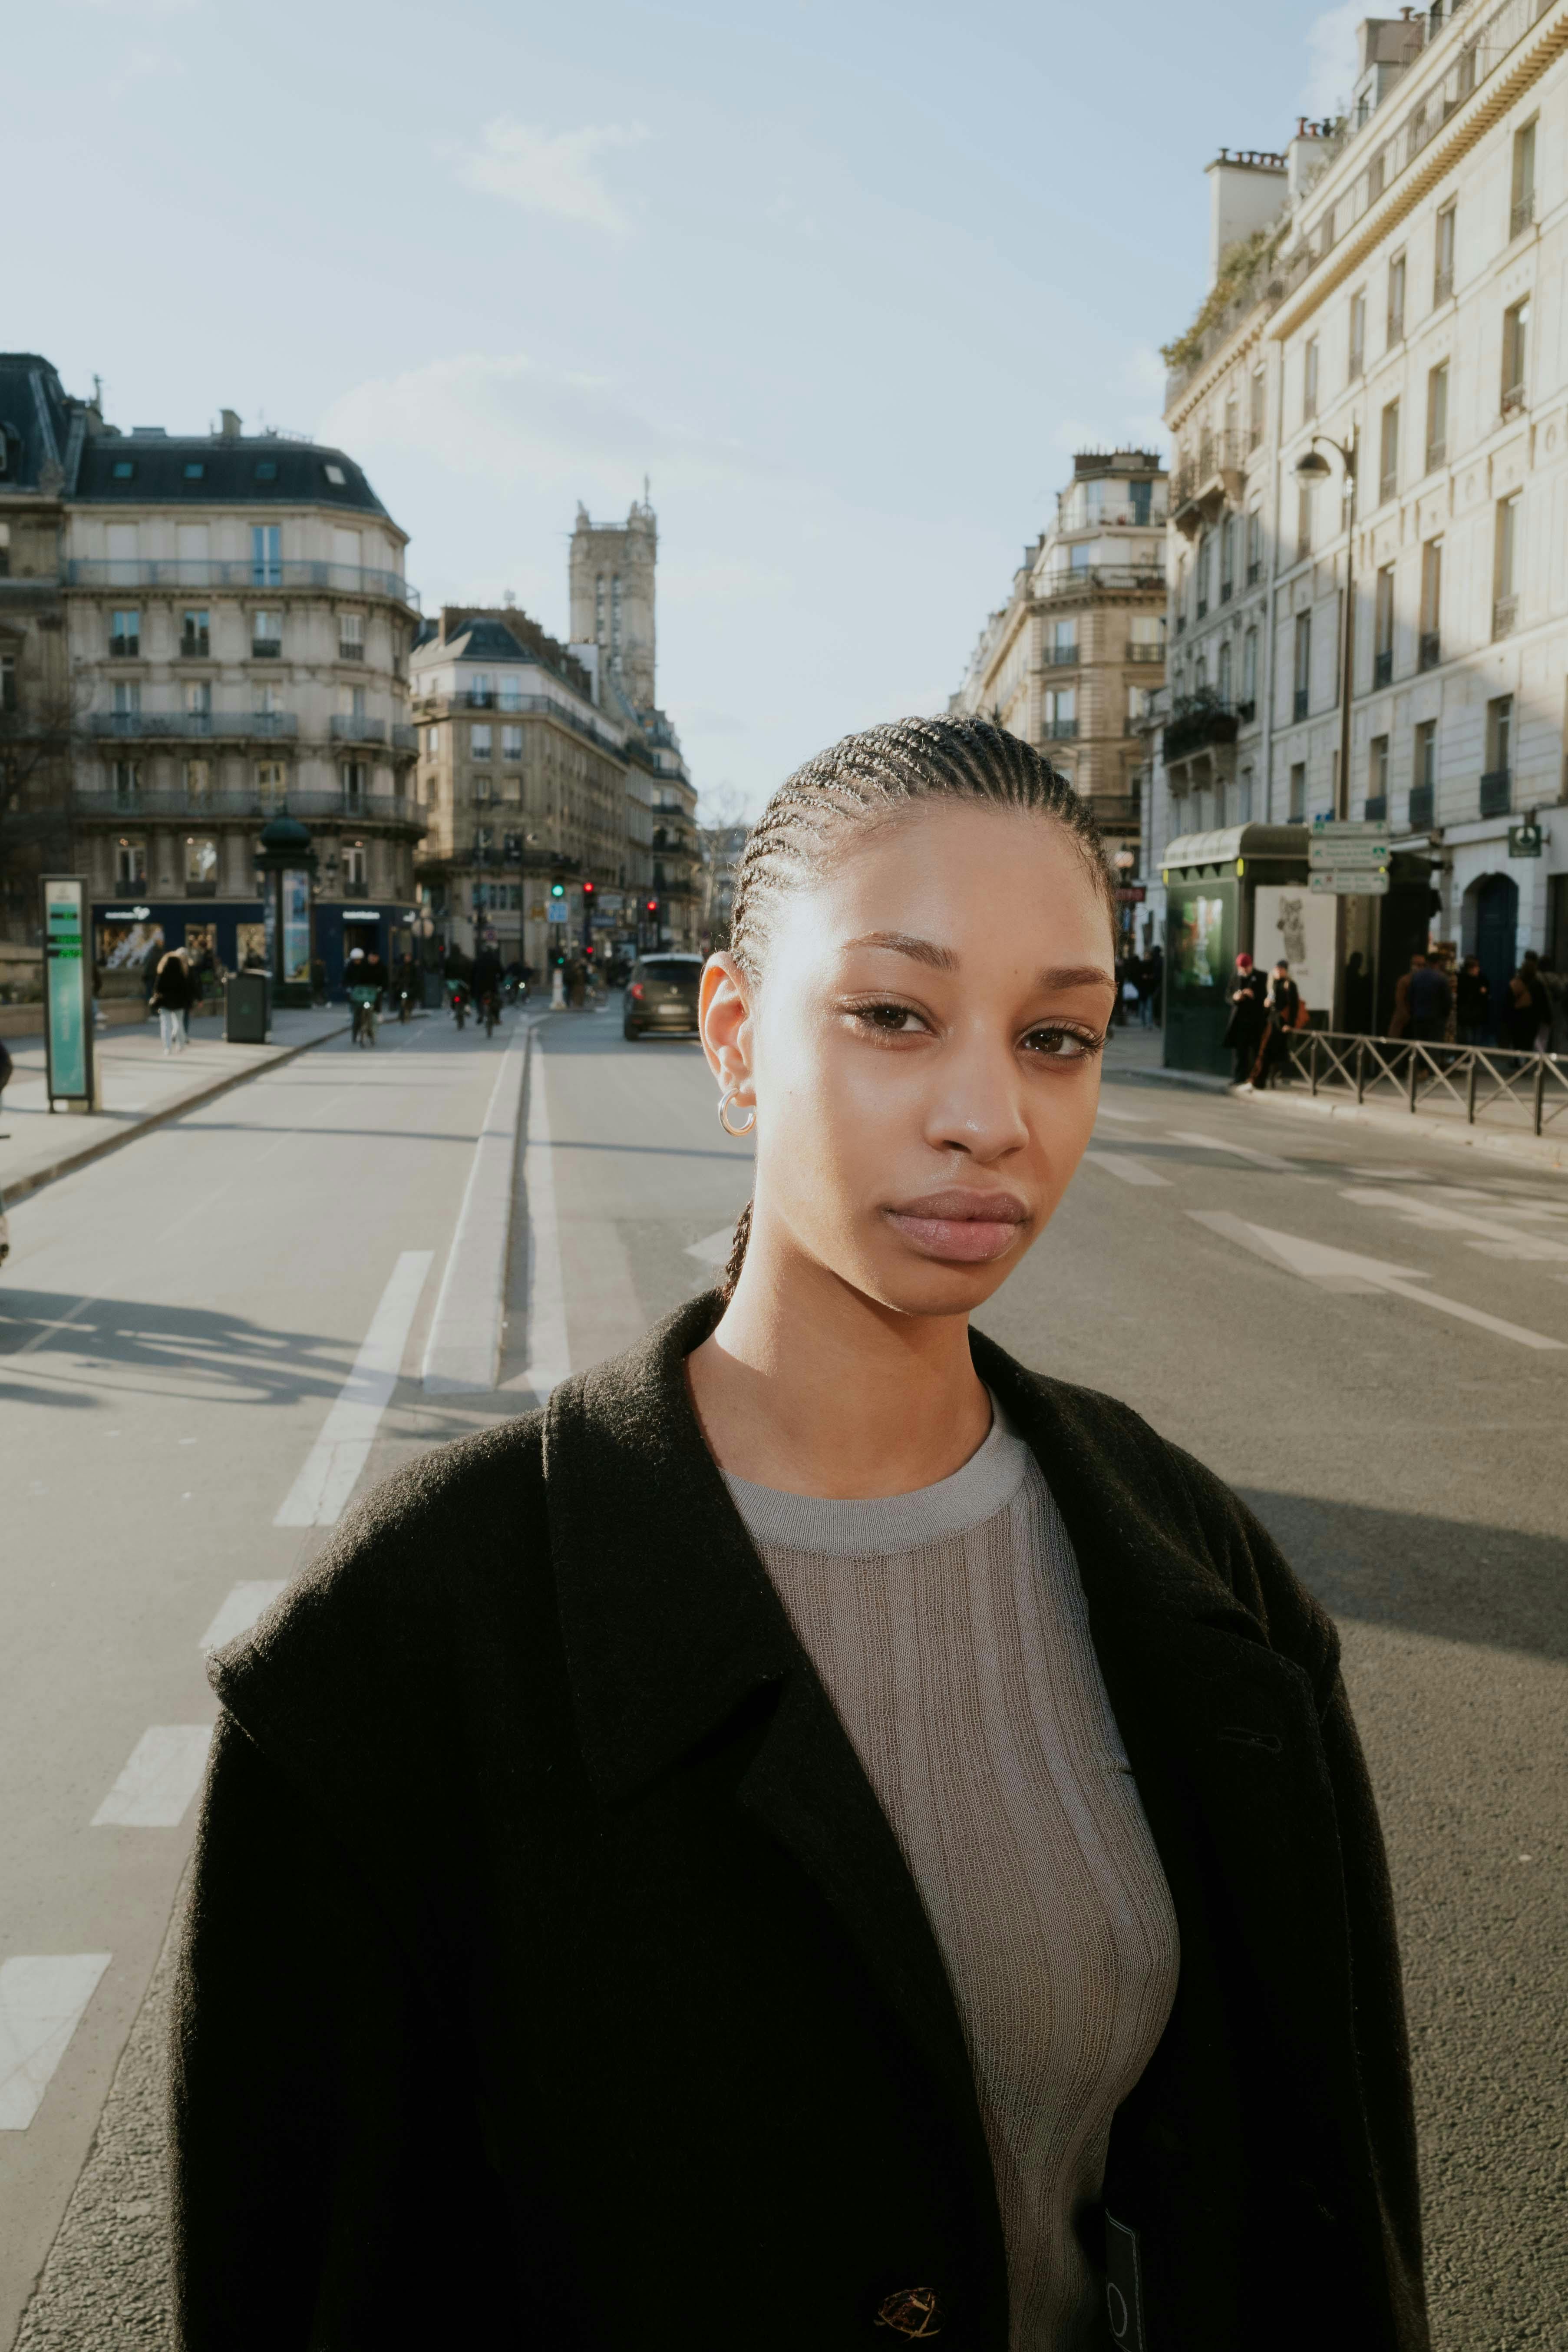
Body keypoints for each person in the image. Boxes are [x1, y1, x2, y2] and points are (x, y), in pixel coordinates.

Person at [171, 718, 1426, 2352]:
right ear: (737, 1038)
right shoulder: (393, 1649)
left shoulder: (1204, 1569)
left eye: (1057, 1036)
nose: (989, 1114)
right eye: (895, 1015)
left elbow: (1334, 2205)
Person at [1221, 949, 1267, 1087]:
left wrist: (1254, 995)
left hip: (1256, 1020)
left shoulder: (1261, 976)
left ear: (1251, 966)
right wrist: (1235, 998)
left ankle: (1256, 1079)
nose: (1244, 971)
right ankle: (1239, 1077)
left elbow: (1267, 997)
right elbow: (1228, 995)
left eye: (1246, 968)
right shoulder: (1236, 977)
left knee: (1256, 1050)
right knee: (1241, 1051)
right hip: (1240, 1020)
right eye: (1241, 969)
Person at [1257, 958, 1301, 1087]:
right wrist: (1266, 1005)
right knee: (1266, 1050)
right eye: (1277, 969)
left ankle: (1270, 1079)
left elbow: (1294, 1007)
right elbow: (1270, 1001)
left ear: (1286, 971)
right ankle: (1262, 1080)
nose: (1278, 972)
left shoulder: (1289, 985)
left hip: (1282, 1023)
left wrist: (1290, 1024)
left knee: (1276, 1052)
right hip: (1271, 1021)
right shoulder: (1272, 983)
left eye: (1281, 969)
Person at [151, 948, 192, 1055]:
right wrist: (188, 1002)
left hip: (165, 1002)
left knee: (166, 1025)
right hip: (179, 1003)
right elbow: (186, 990)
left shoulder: (163, 973)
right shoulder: (182, 973)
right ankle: (181, 1045)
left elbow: (157, 988)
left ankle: (168, 1048)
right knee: (179, 1024)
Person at [1406, 956, 1452, 1044]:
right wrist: (1445, 1015)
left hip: (1419, 1016)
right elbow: (1447, 1000)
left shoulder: (1416, 977)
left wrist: (1413, 1011)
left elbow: (1410, 997)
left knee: (1419, 1044)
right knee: (1435, 1045)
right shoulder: (1442, 978)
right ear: (1438, 964)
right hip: (1436, 1018)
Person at [1456, 955, 1490, 1046]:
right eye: (1475, 968)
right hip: (1467, 1015)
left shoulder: (1482, 979)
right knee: (1468, 1039)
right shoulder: (1463, 980)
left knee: (1475, 1039)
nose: (1477, 970)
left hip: (1477, 1014)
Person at [1539, 955, 1568, 1056]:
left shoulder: (1537, 976)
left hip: (1540, 1010)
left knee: (1541, 1038)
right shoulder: (1554, 978)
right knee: (1545, 1037)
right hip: (1551, 1009)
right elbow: (1561, 990)